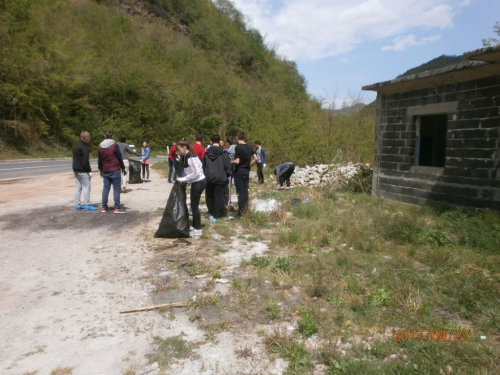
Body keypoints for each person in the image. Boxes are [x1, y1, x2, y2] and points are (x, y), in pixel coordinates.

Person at [176, 140, 206, 236]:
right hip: (195, 181)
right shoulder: (186, 157)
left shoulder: (191, 158)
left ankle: (198, 228)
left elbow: (196, 172)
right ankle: (195, 225)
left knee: (194, 206)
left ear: (184, 148)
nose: (179, 151)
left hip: (199, 182)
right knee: (193, 205)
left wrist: (184, 179)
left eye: (179, 149)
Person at [98, 130, 127, 213]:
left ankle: (104, 207)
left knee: (106, 188)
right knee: (116, 188)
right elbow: (119, 156)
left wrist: (101, 169)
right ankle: (117, 207)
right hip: (115, 169)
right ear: (112, 136)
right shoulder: (114, 145)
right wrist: (123, 167)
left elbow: (99, 160)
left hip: (105, 170)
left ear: (105, 136)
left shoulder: (100, 146)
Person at [205, 134, 232, 223]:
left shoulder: (206, 153)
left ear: (211, 142)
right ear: (219, 141)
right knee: (218, 197)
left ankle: (211, 212)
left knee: (209, 196)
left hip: (209, 177)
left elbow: (203, 165)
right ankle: (216, 214)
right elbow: (227, 166)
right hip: (220, 178)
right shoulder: (224, 153)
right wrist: (228, 174)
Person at [231, 131, 257, 219]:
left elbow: (237, 161)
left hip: (239, 171)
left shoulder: (238, 147)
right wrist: (249, 165)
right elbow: (256, 158)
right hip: (246, 171)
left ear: (237, 138)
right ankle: (246, 210)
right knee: (245, 191)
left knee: (240, 192)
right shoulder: (249, 146)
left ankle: (240, 213)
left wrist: (230, 162)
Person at [72, 131, 97, 211]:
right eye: (89, 137)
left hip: (76, 169)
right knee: (86, 187)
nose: (89, 139)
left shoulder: (76, 146)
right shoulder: (84, 147)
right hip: (83, 170)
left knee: (78, 187)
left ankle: (78, 204)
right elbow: (85, 160)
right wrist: (89, 170)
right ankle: (87, 204)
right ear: (86, 138)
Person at [225, 136, 236, 206]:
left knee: (229, 185)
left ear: (228, 142)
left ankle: (228, 200)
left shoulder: (230, 150)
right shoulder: (236, 147)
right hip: (235, 168)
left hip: (231, 168)